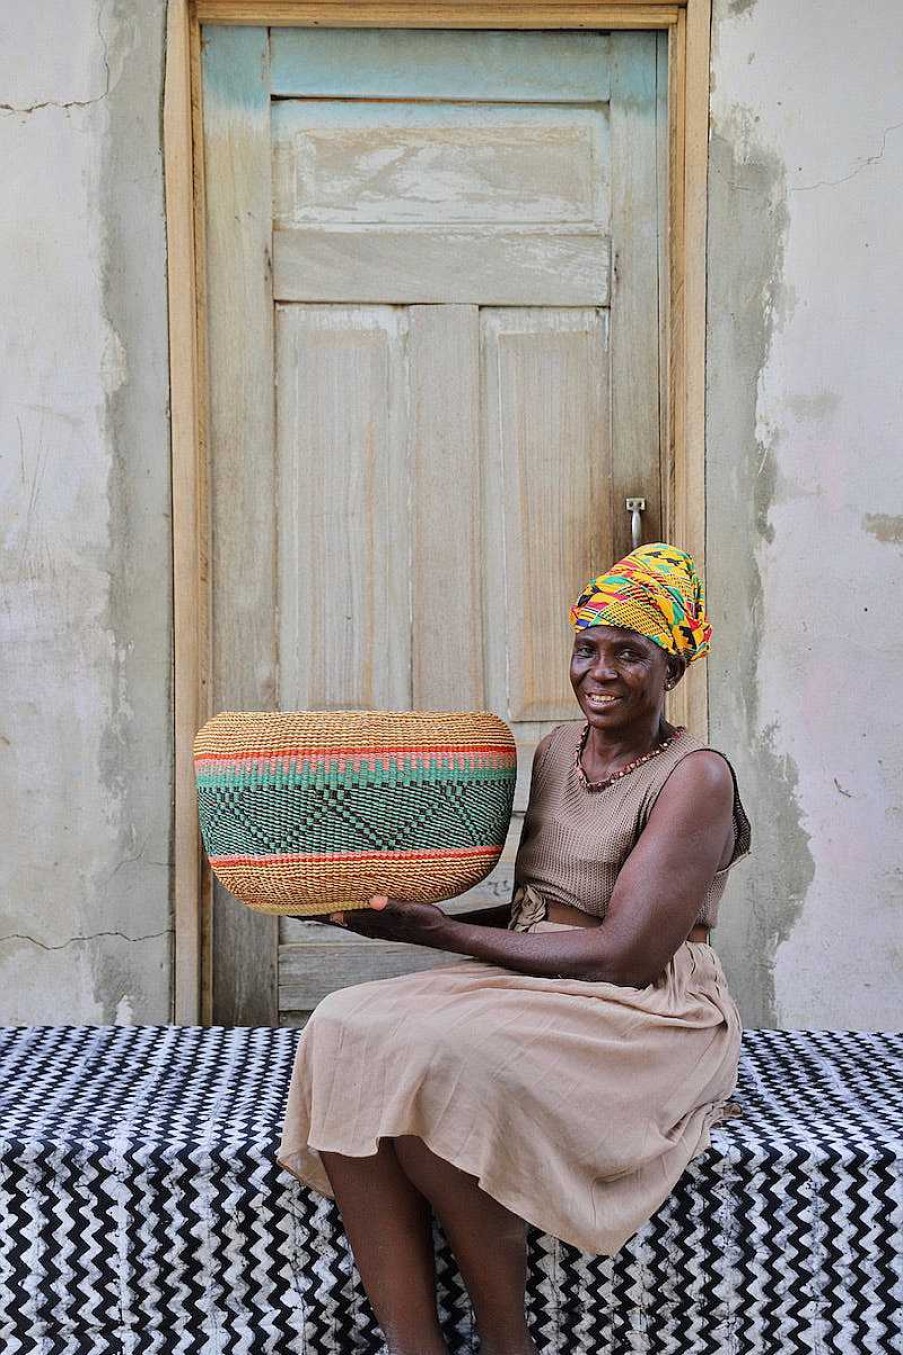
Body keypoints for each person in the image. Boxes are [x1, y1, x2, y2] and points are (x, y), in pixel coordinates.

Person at [276, 542, 751, 1355]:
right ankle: (413, 1345)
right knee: (342, 1024)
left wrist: (441, 934)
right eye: (586, 649)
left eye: (629, 654)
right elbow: (540, 908)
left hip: (644, 1008)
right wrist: (404, 914)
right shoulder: (558, 749)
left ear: (672, 665)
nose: (599, 672)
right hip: (540, 973)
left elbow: (625, 954)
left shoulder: (694, 776)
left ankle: (506, 1338)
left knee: (440, 1062)